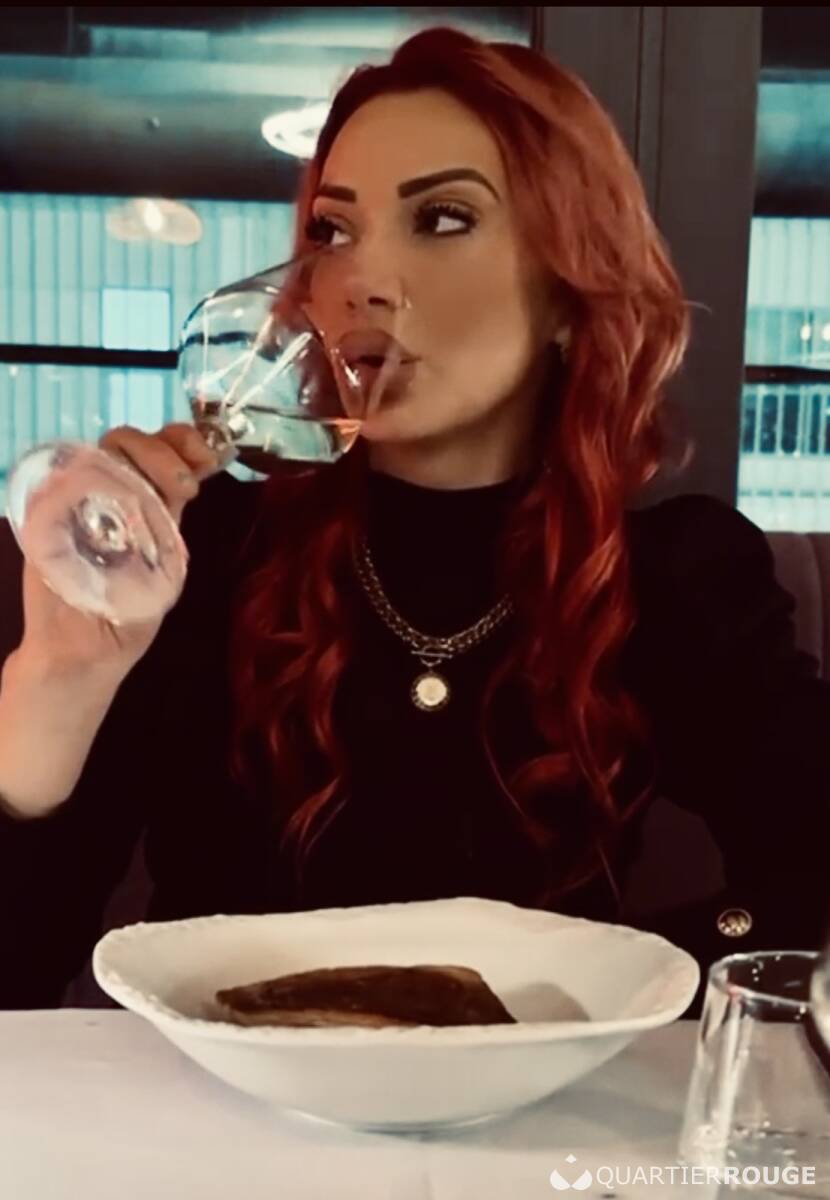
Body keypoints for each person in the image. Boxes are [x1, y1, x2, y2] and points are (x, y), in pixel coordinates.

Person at [1, 27, 828, 1013]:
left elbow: (808, 869)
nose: (363, 280)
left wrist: (618, 990)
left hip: (531, 1104)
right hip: (216, 1102)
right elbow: (18, 972)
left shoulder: (666, 575)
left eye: (441, 218)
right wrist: (60, 677)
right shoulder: (207, 551)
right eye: (333, 231)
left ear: (568, 292)